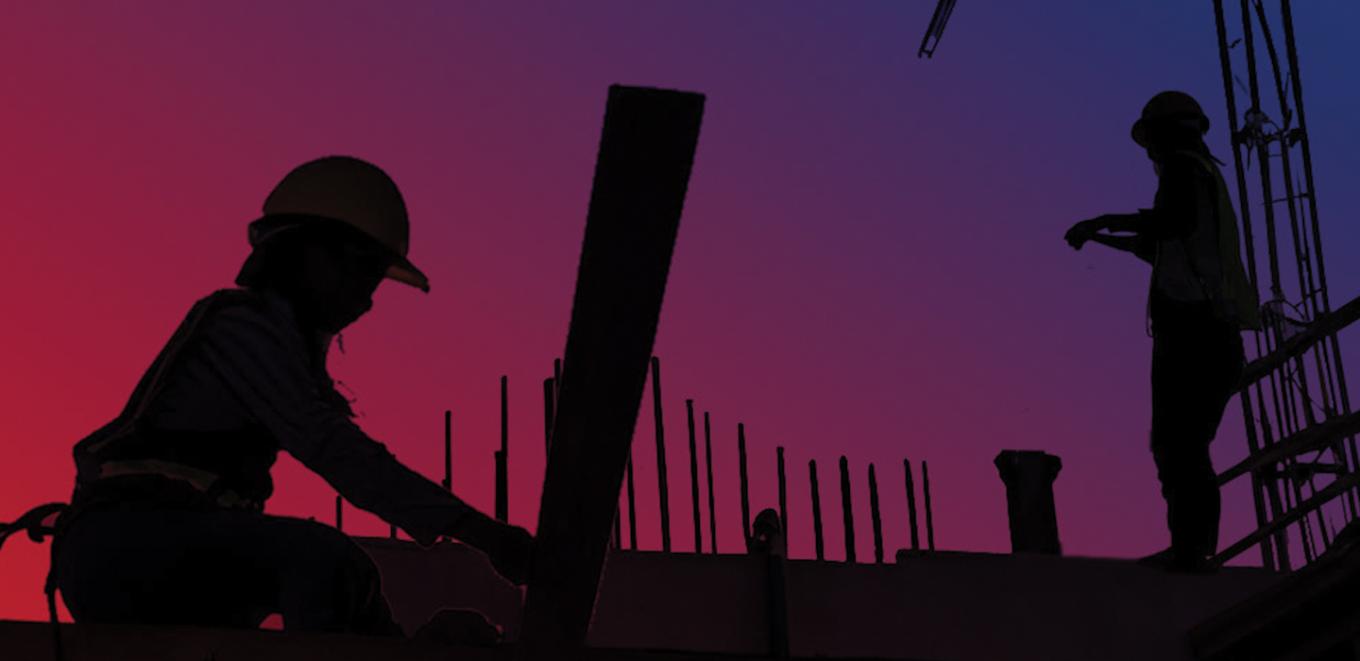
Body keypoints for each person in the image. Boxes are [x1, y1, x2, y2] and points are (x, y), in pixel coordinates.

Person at [48, 155, 533, 635]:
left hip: (170, 549)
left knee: (349, 584)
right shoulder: (241, 329)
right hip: (124, 547)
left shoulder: (282, 350)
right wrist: (482, 533)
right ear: (303, 251)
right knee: (324, 561)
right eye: (359, 269)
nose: (366, 299)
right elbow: (335, 449)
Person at [1064, 91, 1261, 573]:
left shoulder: (1183, 170)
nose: (1150, 153)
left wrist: (1103, 221)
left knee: (1179, 445)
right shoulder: (1204, 178)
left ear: (1166, 135)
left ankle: (1191, 552)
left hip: (1196, 335)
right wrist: (1108, 237)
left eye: (1151, 140)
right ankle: (1193, 549)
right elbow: (1168, 244)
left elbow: (1171, 223)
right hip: (1214, 334)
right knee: (1184, 443)